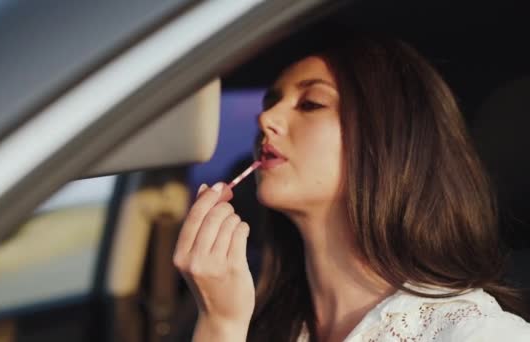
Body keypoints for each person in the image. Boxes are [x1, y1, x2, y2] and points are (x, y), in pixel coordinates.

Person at [172, 32, 530, 341]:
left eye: (311, 103)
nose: (265, 118)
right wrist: (219, 324)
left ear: (387, 141)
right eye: (272, 102)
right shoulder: (262, 320)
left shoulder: (479, 334)